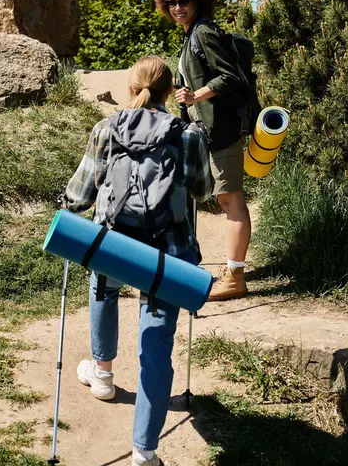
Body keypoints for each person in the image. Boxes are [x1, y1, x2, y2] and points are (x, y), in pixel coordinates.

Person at [62, 56, 213, 466]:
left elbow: (82, 192)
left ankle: (103, 375)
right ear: (168, 92)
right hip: (169, 250)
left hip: (114, 243)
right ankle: (145, 454)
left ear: (132, 88)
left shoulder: (106, 128)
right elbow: (202, 191)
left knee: (103, 288)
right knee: (157, 344)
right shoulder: (188, 135)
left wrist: (67, 205)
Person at [154, 0, 252, 302]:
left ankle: (235, 277)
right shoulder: (191, 34)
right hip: (205, 130)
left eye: (184, 0)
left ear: (198, 0)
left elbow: (231, 78)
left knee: (231, 199)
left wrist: (198, 94)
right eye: (170, 2)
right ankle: (225, 271)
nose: (177, 7)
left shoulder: (204, 32)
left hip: (221, 128)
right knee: (221, 199)